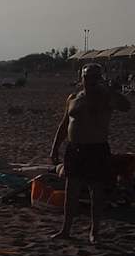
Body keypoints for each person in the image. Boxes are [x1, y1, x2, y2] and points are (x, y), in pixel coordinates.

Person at [50, 63, 130, 243]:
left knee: (96, 191)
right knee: (71, 190)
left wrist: (110, 90)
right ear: (82, 78)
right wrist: (55, 147)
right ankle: (66, 229)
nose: (91, 80)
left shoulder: (106, 97)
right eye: (87, 77)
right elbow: (64, 124)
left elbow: (126, 106)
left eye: (95, 76)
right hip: (75, 148)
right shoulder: (73, 98)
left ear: (100, 77)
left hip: (96, 148)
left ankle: (95, 231)